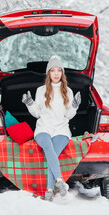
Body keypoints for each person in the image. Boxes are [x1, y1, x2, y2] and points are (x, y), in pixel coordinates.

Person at [22, 55, 81, 201]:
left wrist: (74, 106)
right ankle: (60, 181)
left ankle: (49, 191)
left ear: (62, 73)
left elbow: (69, 115)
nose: (56, 73)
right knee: (49, 148)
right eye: (53, 70)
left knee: (52, 155)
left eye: (58, 70)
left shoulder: (68, 91)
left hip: (61, 129)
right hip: (43, 128)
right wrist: (29, 103)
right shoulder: (41, 90)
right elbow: (36, 113)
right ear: (48, 73)